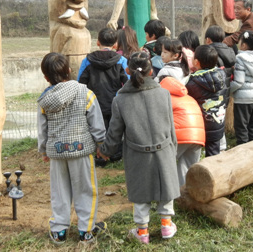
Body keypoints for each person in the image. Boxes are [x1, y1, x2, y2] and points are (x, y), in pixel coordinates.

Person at [98, 52, 180, 244]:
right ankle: (166, 225)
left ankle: (142, 232)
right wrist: (172, 149)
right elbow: (170, 126)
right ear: (152, 71)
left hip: (137, 153)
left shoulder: (121, 100)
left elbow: (115, 131)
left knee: (140, 192)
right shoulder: (163, 93)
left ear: (127, 71)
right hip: (164, 148)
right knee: (165, 186)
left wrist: (105, 150)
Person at [37, 53, 106, 244]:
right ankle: (86, 230)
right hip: (82, 151)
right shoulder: (86, 93)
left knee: (59, 191)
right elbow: (97, 124)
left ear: (46, 77)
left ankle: (59, 230)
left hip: (57, 152)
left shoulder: (45, 100)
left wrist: (44, 150)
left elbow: (42, 129)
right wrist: (101, 144)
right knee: (85, 190)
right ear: (69, 70)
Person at [78, 27, 128, 165]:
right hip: (115, 101)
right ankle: (115, 155)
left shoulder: (87, 61)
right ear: (115, 44)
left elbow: (80, 83)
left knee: (97, 128)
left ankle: (100, 157)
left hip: (94, 102)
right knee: (115, 128)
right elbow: (128, 81)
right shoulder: (121, 60)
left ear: (98, 42)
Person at [160, 76, 205, 186]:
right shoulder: (188, 97)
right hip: (198, 137)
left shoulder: (164, 98)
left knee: (164, 164)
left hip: (180, 137)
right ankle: (187, 196)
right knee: (188, 168)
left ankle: (165, 193)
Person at [186, 45, 228, 156]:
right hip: (218, 121)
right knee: (213, 152)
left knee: (196, 153)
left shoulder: (193, 83)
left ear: (196, 62)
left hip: (202, 124)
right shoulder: (222, 75)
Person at [229, 30, 253, 145]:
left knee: (241, 129)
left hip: (242, 99)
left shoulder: (241, 58)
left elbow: (239, 81)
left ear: (244, 45)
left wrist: (228, 91)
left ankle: (243, 153)